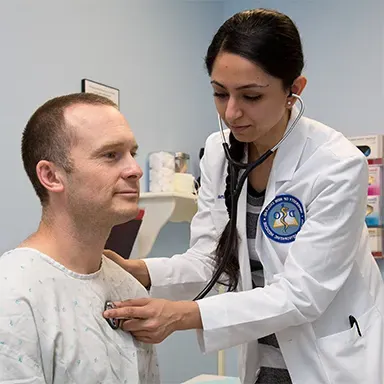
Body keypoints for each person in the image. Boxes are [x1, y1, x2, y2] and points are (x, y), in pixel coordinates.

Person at [103, 8, 384, 384]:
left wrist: (183, 315)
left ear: (293, 90)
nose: (232, 113)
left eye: (251, 95)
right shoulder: (220, 152)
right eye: (220, 94)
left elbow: (302, 295)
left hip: (329, 357)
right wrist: (141, 271)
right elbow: (210, 261)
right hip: (260, 354)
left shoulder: (336, 165)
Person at [0, 93, 160, 383]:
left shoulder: (128, 288)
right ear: (51, 176)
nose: (135, 170)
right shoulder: (12, 296)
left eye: (132, 153)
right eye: (111, 155)